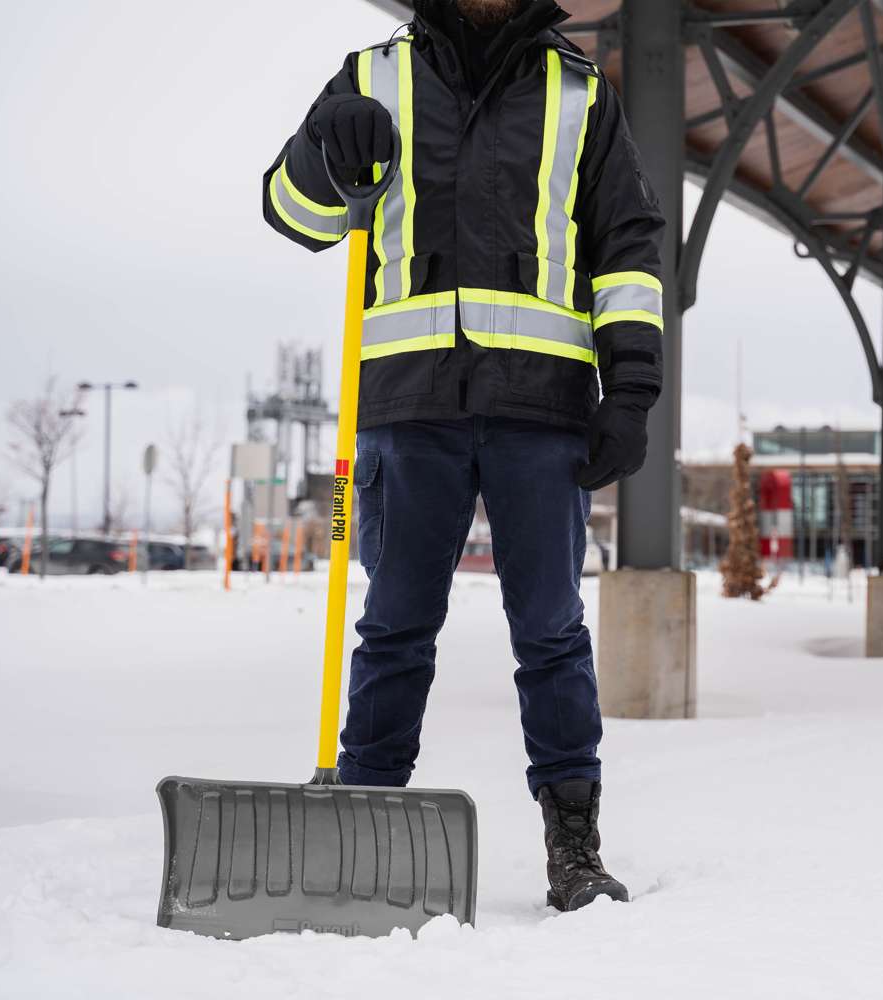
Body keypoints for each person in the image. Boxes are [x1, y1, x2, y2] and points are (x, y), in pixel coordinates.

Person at [263, 0, 664, 912]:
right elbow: (294, 214)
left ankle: (574, 846)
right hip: (408, 404)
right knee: (395, 627)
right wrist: (322, 147)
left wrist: (632, 391)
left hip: (543, 407)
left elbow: (626, 251)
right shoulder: (371, 78)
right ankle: (363, 825)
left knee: (552, 632)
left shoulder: (580, 93)